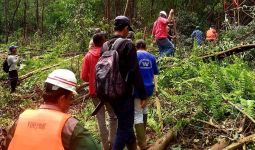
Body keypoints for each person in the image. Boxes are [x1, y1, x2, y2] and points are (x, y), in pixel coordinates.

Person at [6, 69, 99, 150]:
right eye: (71, 98)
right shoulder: (70, 127)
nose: (70, 103)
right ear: (62, 99)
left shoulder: (21, 120)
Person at [100, 16, 148, 150]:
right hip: (124, 94)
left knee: (126, 123)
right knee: (124, 127)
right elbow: (135, 72)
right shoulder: (128, 45)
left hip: (108, 93)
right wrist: (143, 94)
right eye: (128, 29)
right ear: (126, 28)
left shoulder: (105, 45)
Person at [81, 32, 117, 150]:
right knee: (113, 116)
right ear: (103, 42)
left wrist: (92, 79)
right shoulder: (110, 54)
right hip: (109, 90)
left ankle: (105, 147)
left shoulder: (88, 56)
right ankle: (113, 143)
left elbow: (84, 77)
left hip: (95, 92)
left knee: (100, 118)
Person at [134, 39, 159, 150]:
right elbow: (155, 73)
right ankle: (143, 136)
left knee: (137, 113)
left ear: (136, 47)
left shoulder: (133, 56)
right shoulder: (151, 57)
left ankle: (142, 144)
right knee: (144, 110)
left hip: (137, 89)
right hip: (149, 88)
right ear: (145, 46)